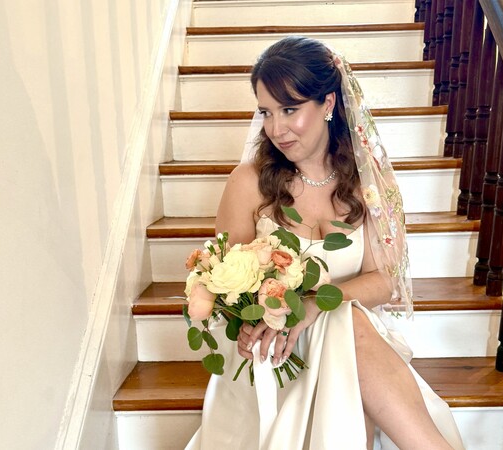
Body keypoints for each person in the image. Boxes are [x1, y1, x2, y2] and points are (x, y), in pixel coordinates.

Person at [186, 36, 464, 450]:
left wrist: (316, 304)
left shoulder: (369, 183)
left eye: (290, 109)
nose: (275, 128)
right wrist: (247, 322)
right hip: (273, 348)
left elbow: (383, 280)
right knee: (345, 330)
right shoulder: (248, 182)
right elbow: (227, 278)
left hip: (349, 341)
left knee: (342, 320)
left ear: (328, 103)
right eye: (266, 112)